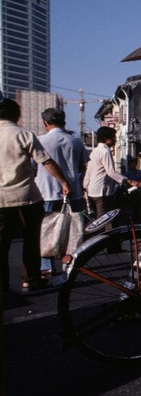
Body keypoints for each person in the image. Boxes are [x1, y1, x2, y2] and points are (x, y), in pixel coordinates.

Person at [0, 98, 72, 292]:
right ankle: (31, 278)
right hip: (26, 196)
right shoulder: (23, 134)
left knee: (1, 245)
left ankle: (2, 284)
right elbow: (46, 161)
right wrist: (63, 182)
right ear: (17, 115)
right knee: (31, 240)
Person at [35, 108, 87, 285]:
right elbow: (82, 167)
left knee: (46, 230)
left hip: (46, 191)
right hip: (74, 192)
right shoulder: (75, 141)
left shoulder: (40, 141)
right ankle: (70, 261)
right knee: (73, 230)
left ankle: (46, 265)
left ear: (45, 122)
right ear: (64, 121)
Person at [84, 126, 141, 233]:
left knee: (101, 219)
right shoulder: (105, 151)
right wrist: (129, 181)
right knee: (107, 220)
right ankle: (109, 245)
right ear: (107, 139)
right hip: (102, 191)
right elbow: (111, 172)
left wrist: (85, 186)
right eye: (113, 137)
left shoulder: (95, 151)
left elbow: (88, 171)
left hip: (93, 191)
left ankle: (109, 245)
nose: (115, 140)